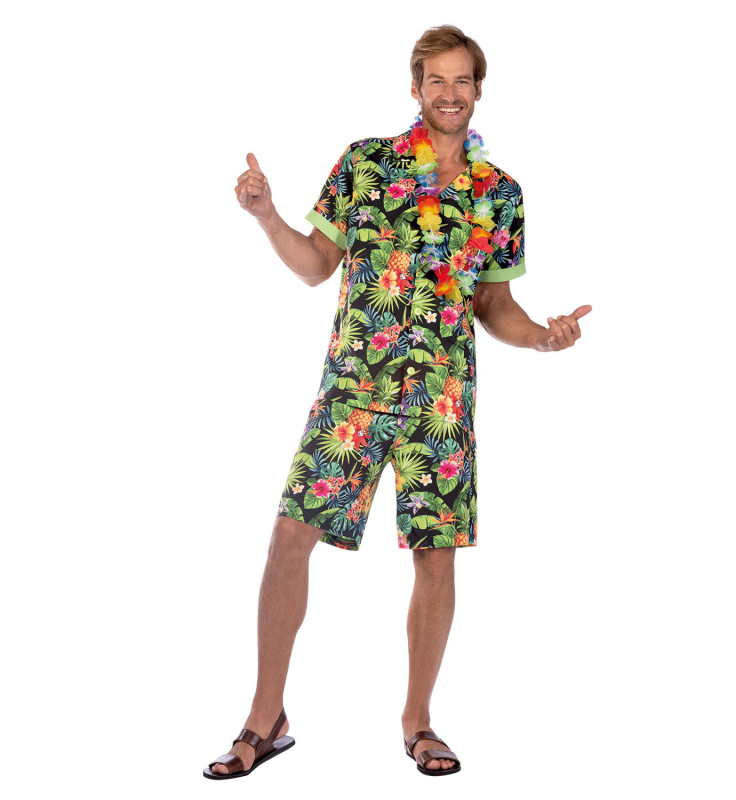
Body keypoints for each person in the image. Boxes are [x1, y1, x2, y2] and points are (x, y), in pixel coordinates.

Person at [204, 24, 591, 780]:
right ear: (415, 88)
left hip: (440, 402)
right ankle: (265, 719)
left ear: (478, 90)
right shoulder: (365, 164)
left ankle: (419, 722)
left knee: (435, 558)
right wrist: (267, 216)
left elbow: (495, 306)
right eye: (435, 80)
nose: (449, 93)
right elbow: (315, 265)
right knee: (290, 537)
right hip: (354, 390)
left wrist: (544, 339)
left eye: (462, 80)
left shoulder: (500, 194)